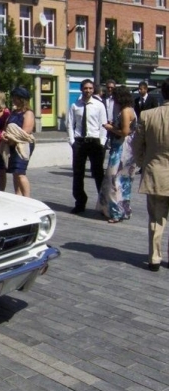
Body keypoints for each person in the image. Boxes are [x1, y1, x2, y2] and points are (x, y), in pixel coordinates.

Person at [132, 78, 169, 271]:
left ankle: (154, 258)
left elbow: (136, 145)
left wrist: (143, 164)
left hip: (155, 173)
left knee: (156, 219)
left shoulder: (147, 115)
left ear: (163, 94)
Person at [96, 85, 138, 223]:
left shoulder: (125, 111)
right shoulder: (130, 109)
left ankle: (116, 212)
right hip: (128, 148)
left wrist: (110, 128)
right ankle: (123, 209)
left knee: (115, 180)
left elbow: (124, 131)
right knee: (124, 181)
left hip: (122, 148)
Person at [66, 79, 108, 214]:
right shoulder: (75, 105)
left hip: (95, 141)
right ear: (81, 89)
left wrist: (102, 142)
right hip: (79, 142)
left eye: (90, 88)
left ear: (93, 89)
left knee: (98, 173)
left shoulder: (99, 105)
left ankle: (103, 203)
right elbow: (70, 124)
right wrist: (72, 141)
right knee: (78, 173)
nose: (88, 90)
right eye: (85, 88)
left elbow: (104, 125)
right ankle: (80, 202)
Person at [0, 87, 35, 197]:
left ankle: (28, 198)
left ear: (21, 99)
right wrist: (4, 136)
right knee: (15, 173)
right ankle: (18, 196)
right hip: (11, 144)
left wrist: (11, 138)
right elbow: (6, 128)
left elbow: (25, 132)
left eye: (15, 97)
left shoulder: (28, 113)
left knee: (20, 172)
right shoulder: (13, 112)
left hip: (22, 146)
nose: (13, 100)